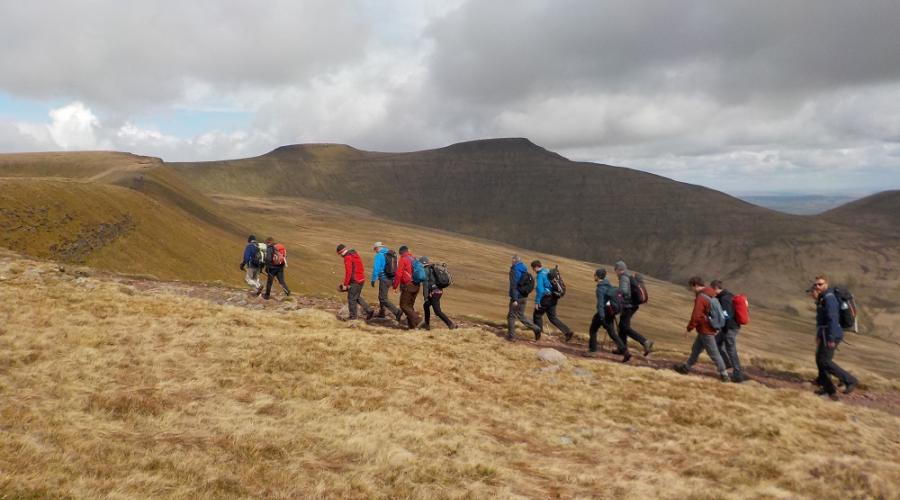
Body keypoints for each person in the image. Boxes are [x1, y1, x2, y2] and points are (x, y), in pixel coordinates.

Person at [674, 277, 730, 382]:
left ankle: (724, 375)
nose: (691, 290)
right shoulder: (711, 294)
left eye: (691, 287)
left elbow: (696, 315)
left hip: (706, 329)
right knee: (696, 349)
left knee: (713, 353)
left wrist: (689, 328)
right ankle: (686, 368)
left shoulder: (702, 297)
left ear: (695, 285)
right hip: (705, 328)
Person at [811, 275, 858, 400]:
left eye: (820, 284)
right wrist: (819, 336)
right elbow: (822, 320)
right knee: (820, 359)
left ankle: (850, 380)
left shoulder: (829, 298)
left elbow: (832, 319)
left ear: (826, 284)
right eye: (815, 285)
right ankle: (826, 386)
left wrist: (831, 338)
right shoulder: (823, 298)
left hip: (831, 334)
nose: (817, 287)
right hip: (825, 334)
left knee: (824, 361)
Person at [585, 268, 630, 362]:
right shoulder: (608, 284)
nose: (594, 276)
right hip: (610, 312)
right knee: (613, 334)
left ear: (597, 276)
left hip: (604, 313)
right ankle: (626, 352)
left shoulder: (600, 289)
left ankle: (592, 351)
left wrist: (601, 316)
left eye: (595, 275)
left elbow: (601, 304)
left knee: (593, 330)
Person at [615, 261, 654, 356]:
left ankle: (645, 341)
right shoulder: (629, 276)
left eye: (615, 270)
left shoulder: (624, 277)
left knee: (625, 327)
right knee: (622, 327)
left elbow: (624, 291)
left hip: (628, 306)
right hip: (632, 305)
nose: (615, 272)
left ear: (618, 269)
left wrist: (616, 295)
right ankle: (622, 348)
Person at [711, 280, 745, 383]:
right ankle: (727, 363)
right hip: (728, 328)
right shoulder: (724, 296)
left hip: (730, 328)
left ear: (716, 288)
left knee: (731, 350)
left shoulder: (725, 299)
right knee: (716, 343)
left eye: (712, 289)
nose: (711, 291)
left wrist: (719, 327)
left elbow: (726, 315)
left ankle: (738, 374)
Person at [531, 260, 574, 341]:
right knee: (552, 318)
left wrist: (537, 302)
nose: (533, 270)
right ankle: (568, 332)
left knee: (537, 316)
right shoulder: (547, 271)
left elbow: (540, 290)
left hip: (546, 298)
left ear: (536, 267)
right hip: (554, 297)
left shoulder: (540, 275)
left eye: (533, 269)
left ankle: (538, 336)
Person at [507, 255, 541, 341]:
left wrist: (514, 299)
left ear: (515, 261)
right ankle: (536, 328)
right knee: (521, 316)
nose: (511, 261)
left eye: (512, 260)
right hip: (524, 297)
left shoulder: (514, 270)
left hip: (517, 297)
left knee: (511, 316)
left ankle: (512, 337)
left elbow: (513, 285)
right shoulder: (524, 268)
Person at [336, 244, 374, 321]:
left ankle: (353, 318)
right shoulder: (354, 254)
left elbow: (349, 272)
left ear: (341, 252)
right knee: (356, 297)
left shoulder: (347, 257)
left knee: (351, 299)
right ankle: (369, 310)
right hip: (361, 279)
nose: (340, 256)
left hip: (355, 281)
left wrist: (345, 284)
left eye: (340, 254)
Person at [419, 256, 457, 330]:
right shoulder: (431, 268)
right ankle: (427, 325)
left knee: (437, 311)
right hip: (438, 291)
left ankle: (451, 324)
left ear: (422, 263)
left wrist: (426, 297)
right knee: (426, 305)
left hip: (434, 293)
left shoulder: (426, 271)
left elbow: (425, 285)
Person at [370, 242, 402, 322]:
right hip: (391, 278)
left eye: (375, 249)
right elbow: (396, 266)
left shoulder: (379, 255)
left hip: (384, 279)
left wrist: (373, 279)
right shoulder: (391, 254)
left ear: (378, 248)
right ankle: (382, 312)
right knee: (382, 296)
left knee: (382, 298)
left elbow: (376, 268)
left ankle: (397, 312)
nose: (375, 251)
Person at [392, 245, 422, 329]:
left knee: (404, 305)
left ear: (401, 253)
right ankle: (412, 326)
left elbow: (398, 274)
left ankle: (419, 321)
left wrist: (395, 286)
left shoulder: (403, 259)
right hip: (417, 285)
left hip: (408, 286)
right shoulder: (413, 258)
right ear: (407, 251)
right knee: (410, 306)